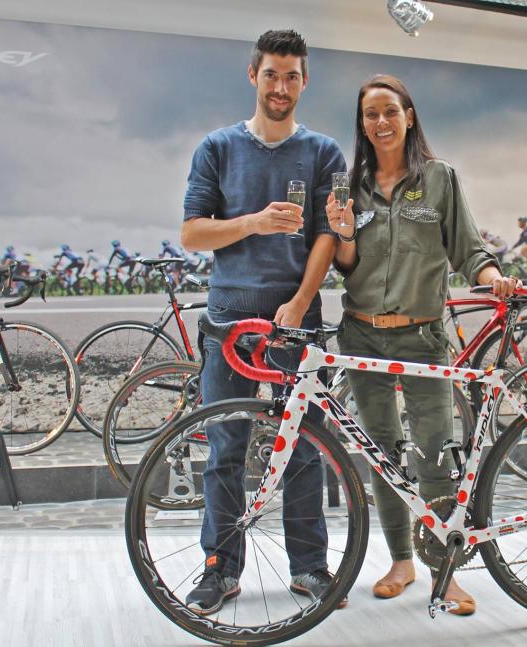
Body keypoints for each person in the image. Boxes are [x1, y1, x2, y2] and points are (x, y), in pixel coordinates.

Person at [325, 73, 517, 616]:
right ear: (361, 124)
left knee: (434, 453)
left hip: (423, 337)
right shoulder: (351, 185)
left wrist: (493, 274)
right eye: (370, 115)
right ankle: (401, 561)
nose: (381, 122)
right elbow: (345, 266)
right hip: (361, 333)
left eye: (390, 111)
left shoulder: (439, 179)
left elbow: (467, 249)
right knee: (383, 454)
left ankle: (444, 571)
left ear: (409, 115)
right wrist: (341, 233)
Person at [180, 29, 345, 615]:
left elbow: (331, 234)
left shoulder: (325, 152)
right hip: (228, 316)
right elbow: (193, 232)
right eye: (272, 74)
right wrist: (253, 222)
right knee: (226, 446)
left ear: (305, 80)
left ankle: (310, 568)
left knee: (303, 443)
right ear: (254, 75)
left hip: (296, 316)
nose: (282, 86)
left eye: (293, 75)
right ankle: (219, 570)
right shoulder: (217, 147)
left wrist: (301, 303)